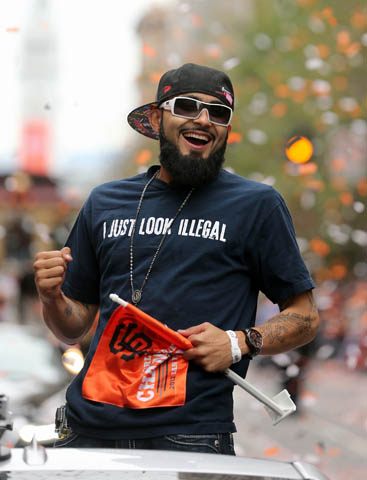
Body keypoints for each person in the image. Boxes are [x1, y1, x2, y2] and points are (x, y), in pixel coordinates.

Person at [33, 63, 319, 454]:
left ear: (227, 130)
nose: (203, 119)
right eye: (186, 107)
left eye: (218, 113)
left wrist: (239, 343)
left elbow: (305, 315)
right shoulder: (104, 202)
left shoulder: (256, 205)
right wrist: (51, 296)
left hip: (190, 436)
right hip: (89, 430)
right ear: (156, 117)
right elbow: (72, 328)